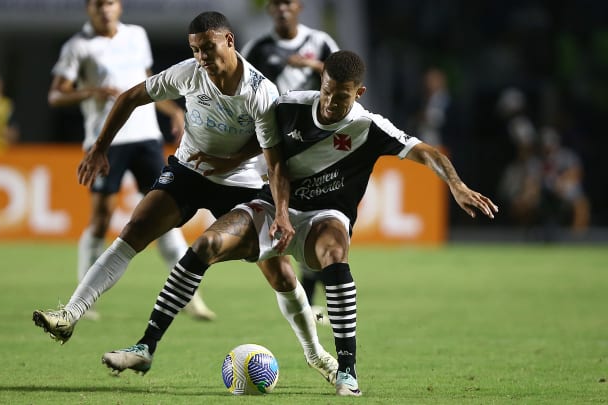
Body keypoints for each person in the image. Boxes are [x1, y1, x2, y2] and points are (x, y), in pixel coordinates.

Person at [103, 51, 499, 397]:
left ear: (357, 93)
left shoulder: (368, 127)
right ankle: (145, 348)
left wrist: (457, 186)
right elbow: (265, 153)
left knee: (334, 251)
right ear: (321, 81)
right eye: (326, 89)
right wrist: (264, 198)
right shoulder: (289, 106)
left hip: (324, 218)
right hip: (273, 205)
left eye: (340, 95)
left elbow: (426, 151)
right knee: (204, 247)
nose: (329, 101)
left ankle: (347, 370)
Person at [33, 11, 338, 385]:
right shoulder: (189, 73)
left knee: (279, 271)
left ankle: (316, 354)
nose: (202, 58)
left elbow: (272, 159)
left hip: (242, 183)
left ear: (229, 41)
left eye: (208, 48)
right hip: (189, 171)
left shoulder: (260, 91)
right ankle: (70, 315)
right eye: (195, 50)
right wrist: (99, 147)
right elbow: (131, 97)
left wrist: (277, 211)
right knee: (135, 230)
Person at [47, 0, 213, 321]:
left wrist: (173, 109)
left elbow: (148, 82)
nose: (104, 9)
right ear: (88, 9)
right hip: (107, 140)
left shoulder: (137, 35)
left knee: (165, 215)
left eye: (109, 3)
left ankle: (192, 299)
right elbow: (56, 94)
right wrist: (90, 92)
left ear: (119, 6)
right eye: (97, 5)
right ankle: (86, 298)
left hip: (147, 137)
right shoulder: (78, 46)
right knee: (100, 219)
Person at [242, 0, 340, 319]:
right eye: (276, 3)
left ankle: (313, 298)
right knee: (290, 222)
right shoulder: (258, 48)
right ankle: (306, 299)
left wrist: (312, 67)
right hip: (273, 148)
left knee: (316, 221)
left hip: (315, 148)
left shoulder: (321, 42)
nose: (282, 8)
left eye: (288, 2)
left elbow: (343, 78)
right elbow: (240, 88)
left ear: (299, 6)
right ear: (270, 9)